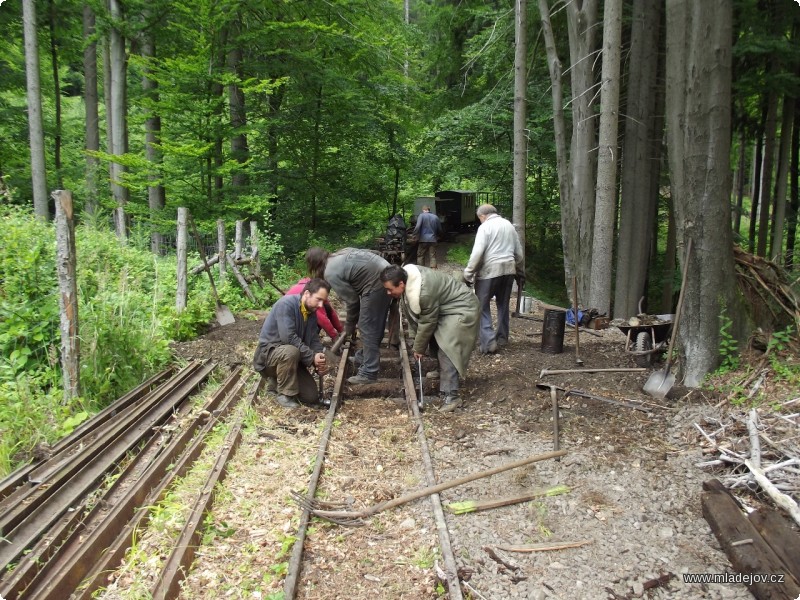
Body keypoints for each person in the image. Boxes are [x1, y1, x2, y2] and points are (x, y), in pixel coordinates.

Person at [381, 264, 479, 412]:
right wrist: (417, 342)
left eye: (390, 289)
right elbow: (416, 317)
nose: (388, 293)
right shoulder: (409, 280)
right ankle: (442, 371)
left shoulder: (424, 292)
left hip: (462, 308)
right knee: (435, 336)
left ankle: (452, 396)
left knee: (447, 347)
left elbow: (427, 322)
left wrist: (419, 348)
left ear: (401, 284)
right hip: (446, 308)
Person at [306, 247, 392, 384]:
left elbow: (353, 301)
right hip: (387, 272)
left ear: (315, 265)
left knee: (366, 325)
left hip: (377, 281)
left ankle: (369, 372)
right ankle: (364, 357)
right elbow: (371, 252)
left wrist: (349, 325)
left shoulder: (330, 272)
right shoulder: (340, 253)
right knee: (374, 322)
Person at [252, 278, 330, 408]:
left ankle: (276, 382)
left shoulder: (311, 312)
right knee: (290, 351)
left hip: (291, 359)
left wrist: (319, 356)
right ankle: (284, 395)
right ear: (306, 294)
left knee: (310, 396)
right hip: (268, 356)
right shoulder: (286, 304)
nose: (321, 305)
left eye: (323, 301)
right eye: (318, 299)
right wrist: (311, 358)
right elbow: (288, 338)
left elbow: (314, 338)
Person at [463, 204, 524, 355]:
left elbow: (477, 253)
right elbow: (519, 253)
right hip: (509, 269)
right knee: (503, 304)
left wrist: (468, 274)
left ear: (482, 216)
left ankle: (489, 342)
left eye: (480, 219)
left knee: (481, 306)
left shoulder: (485, 227)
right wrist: (520, 272)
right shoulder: (509, 226)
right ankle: (502, 338)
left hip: (490, 272)